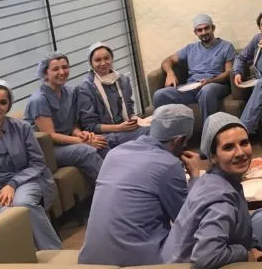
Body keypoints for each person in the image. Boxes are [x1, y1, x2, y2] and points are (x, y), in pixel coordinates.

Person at [78, 105, 201, 266]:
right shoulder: (169, 165)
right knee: (205, 241)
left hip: (90, 260)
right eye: (185, 142)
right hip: (140, 262)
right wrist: (195, 177)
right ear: (178, 140)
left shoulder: (114, 154)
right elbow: (187, 221)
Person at [162, 112, 262, 268]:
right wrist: (246, 254)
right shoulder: (221, 200)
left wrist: (253, 247)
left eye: (244, 143)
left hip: (172, 259)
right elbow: (206, 257)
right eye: (229, 147)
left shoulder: (212, 179)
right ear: (213, 156)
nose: (240, 153)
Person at [0, 80, 62, 251]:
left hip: (25, 180)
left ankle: (54, 252)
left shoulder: (22, 128)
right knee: (3, 216)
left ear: (9, 106)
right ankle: (15, 257)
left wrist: (12, 184)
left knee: (23, 204)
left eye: (3, 102)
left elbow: (37, 163)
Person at [24, 52, 105, 186]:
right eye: (56, 69)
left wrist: (81, 134)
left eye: (65, 67)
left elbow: (72, 124)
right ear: (45, 73)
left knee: (102, 142)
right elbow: (50, 136)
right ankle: (110, 189)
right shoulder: (39, 100)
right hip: (48, 150)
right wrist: (82, 142)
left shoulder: (69, 92)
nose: (62, 72)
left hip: (67, 142)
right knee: (85, 151)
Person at [153, 14, 236, 124]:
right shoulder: (190, 48)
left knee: (207, 90)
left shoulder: (226, 47)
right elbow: (167, 60)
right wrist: (170, 73)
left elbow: (228, 73)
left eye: (206, 28)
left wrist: (211, 81)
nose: (203, 32)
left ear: (213, 28)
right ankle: (169, 133)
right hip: (192, 87)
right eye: (199, 30)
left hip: (215, 85)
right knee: (159, 95)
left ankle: (210, 130)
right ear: (195, 32)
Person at [76, 42, 149, 148]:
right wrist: (119, 128)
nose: (103, 63)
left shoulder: (123, 80)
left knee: (156, 126)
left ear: (112, 59)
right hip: (105, 136)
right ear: (91, 63)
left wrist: (136, 120)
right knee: (150, 133)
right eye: (98, 60)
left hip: (125, 129)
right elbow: (90, 126)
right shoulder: (85, 88)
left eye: (107, 58)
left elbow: (129, 111)